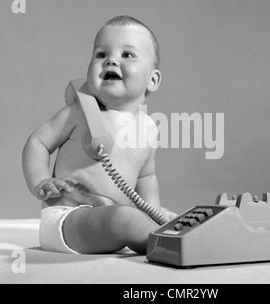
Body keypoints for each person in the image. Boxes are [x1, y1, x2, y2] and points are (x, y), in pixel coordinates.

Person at [22, 15, 177, 255]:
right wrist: (40, 180)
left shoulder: (148, 128)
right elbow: (37, 142)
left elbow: (146, 178)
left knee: (139, 218)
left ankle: (159, 232)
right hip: (67, 219)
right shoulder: (77, 114)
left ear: (152, 80)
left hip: (110, 220)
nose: (111, 60)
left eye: (127, 54)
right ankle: (174, 247)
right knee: (125, 219)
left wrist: (154, 213)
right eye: (101, 54)